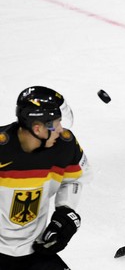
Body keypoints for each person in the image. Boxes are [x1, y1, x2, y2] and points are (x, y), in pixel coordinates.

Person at [0, 86, 91, 270]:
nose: (60, 130)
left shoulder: (64, 146)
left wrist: (65, 211)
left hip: (35, 251)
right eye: (55, 124)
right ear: (37, 128)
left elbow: (74, 178)